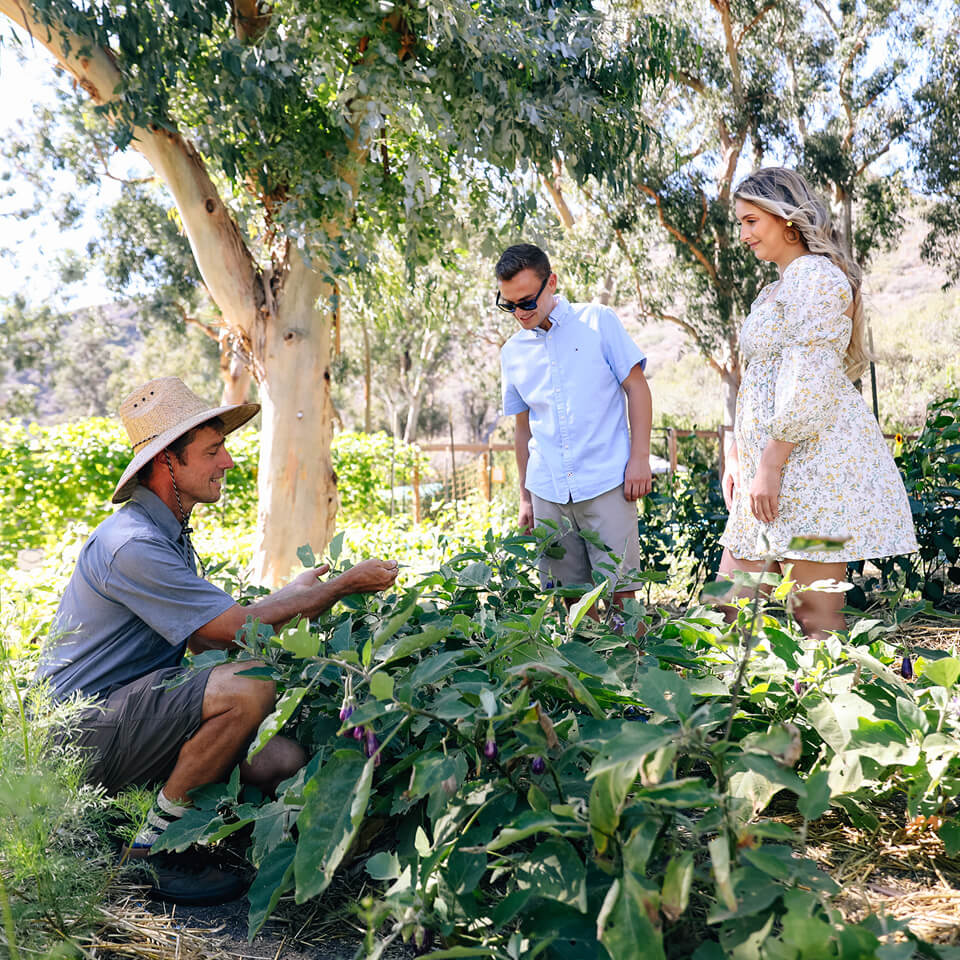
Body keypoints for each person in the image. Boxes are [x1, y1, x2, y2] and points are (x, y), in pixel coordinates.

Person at [37, 376, 399, 905]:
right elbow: (232, 634)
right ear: (168, 464)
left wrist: (292, 595)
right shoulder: (132, 544)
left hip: (122, 717)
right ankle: (154, 852)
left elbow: (211, 642)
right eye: (212, 450)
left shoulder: (165, 531)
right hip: (82, 734)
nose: (226, 461)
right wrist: (340, 588)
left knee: (283, 761)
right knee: (250, 689)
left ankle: (187, 825)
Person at [718, 167, 917, 638]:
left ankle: (831, 709)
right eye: (740, 224)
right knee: (729, 606)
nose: (743, 235)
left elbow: (812, 378)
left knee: (816, 622)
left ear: (786, 219)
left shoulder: (817, 278)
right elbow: (758, 378)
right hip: (772, 470)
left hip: (814, 476)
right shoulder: (775, 288)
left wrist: (769, 462)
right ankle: (754, 708)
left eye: (751, 221)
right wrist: (735, 450)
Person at [496, 243, 653, 610]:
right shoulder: (512, 352)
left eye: (526, 302)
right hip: (547, 490)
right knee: (567, 601)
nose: (519, 313)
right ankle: (582, 667)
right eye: (509, 305)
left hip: (607, 481)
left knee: (622, 597)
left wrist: (640, 458)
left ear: (551, 283)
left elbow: (637, 387)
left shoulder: (598, 321)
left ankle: (631, 666)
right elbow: (523, 429)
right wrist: (524, 497)